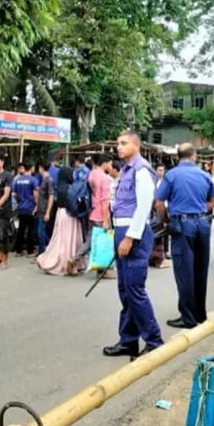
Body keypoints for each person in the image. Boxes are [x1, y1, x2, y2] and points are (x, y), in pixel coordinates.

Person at [103, 130, 163, 360]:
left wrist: (130, 237)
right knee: (125, 290)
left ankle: (154, 340)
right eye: (118, 143)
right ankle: (128, 340)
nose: (119, 147)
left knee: (135, 290)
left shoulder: (141, 170)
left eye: (124, 143)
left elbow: (144, 206)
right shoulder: (126, 170)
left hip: (133, 233)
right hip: (121, 230)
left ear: (136, 145)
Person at [156, 143, 214, 329]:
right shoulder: (204, 175)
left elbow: (159, 203)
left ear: (178, 156)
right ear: (194, 156)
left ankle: (188, 317)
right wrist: (199, 210)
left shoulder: (172, 175)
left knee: (185, 272)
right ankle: (200, 313)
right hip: (202, 224)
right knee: (200, 270)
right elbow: (213, 201)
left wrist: (167, 220)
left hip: (182, 225)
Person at [37, 167, 86, 275]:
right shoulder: (69, 188)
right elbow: (72, 204)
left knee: (62, 239)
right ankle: (70, 261)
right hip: (70, 215)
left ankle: (62, 260)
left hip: (62, 214)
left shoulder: (60, 187)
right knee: (69, 239)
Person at [68, 155, 112, 273]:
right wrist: (106, 219)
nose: (111, 167)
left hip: (91, 211)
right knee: (102, 242)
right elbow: (105, 201)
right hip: (100, 214)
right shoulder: (105, 178)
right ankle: (101, 270)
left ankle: (74, 259)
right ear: (105, 164)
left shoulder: (91, 174)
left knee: (90, 239)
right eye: (110, 164)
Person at [13, 162, 39, 257]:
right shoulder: (33, 180)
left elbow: (15, 194)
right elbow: (36, 194)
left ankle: (18, 250)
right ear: (31, 168)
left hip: (21, 207)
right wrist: (37, 205)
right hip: (30, 207)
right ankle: (30, 251)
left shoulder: (17, 180)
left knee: (21, 229)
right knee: (31, 230)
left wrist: (20, 201)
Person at [36, 162, 55, 255]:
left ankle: (42, 253)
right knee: (41, 232)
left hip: (44, 210)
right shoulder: (44, 179)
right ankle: (51, 248)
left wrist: (48, 212)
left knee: (40, 232)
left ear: (41, 168)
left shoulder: (49, 180)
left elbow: (51, 196)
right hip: (41, 208)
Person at [155, 163, 171, 264]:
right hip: (155, 209)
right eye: (159, 170)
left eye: (162, 170)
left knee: (166, 230)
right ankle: (157, 252)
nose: (161, 172)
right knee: (158, 231)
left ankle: (166, 251)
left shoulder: (167, 182)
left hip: (165, 208)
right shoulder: (153, 182)